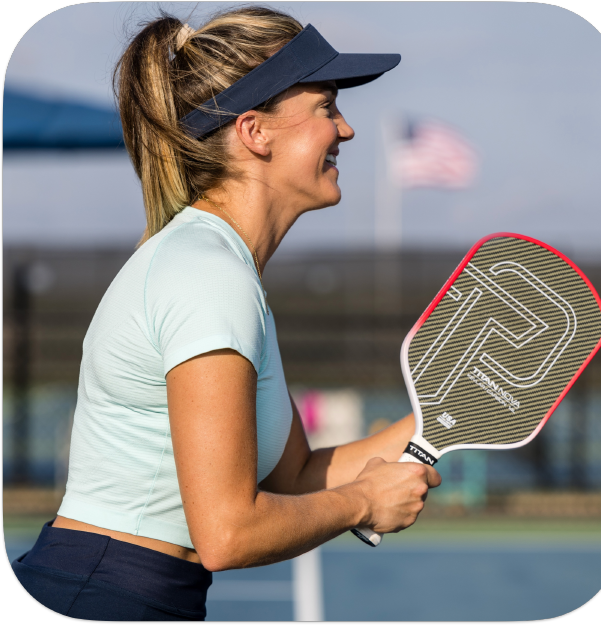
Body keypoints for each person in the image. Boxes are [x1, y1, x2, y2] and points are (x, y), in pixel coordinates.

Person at [11, 6, 441, 621]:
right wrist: (362, 503)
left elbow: (295, 476)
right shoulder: (209, 275)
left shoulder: (223, 270)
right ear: (255, 132)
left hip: (132, 591)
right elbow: (228, 532)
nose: (345, 130)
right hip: (106, 589)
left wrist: (459, 411)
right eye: (325, 107)